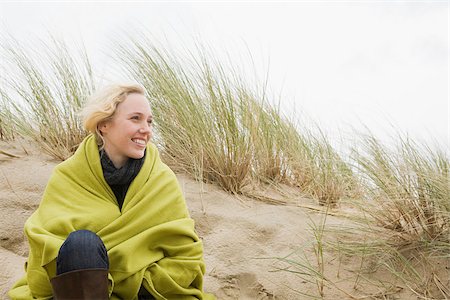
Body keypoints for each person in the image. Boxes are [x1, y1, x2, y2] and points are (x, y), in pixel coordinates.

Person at [9, 84, 214, 299]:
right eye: (135, 118)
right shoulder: (68, 175)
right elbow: (45, 244)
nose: (146, 129)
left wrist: (135, 280)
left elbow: (185, 254)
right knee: (82, 244)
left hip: (143, 293)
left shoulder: (162, 180)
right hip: (81, 292)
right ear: (104, 124)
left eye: (149, 121)